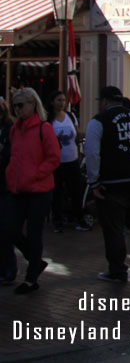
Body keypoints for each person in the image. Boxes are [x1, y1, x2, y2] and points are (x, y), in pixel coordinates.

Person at [84, 86, 130, 282]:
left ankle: (118, 269)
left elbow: (91, 153)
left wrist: (94, 181)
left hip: (112, 183)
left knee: (113, 227)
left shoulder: (99, 121)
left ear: (106, 101)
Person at [3, 88, 59, 294]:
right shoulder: (15, 129)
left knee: (35, 233)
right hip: (17, 189)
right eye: (14, 105)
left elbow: (53, 157)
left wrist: (35, 174)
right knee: (9, 229)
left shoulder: (44, 128)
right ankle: (35, 261)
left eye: (21, 105)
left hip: (38, 189)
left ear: (32, 104)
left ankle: (31, 277)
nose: (17, 109)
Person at [48, 90, 82, 233]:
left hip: (72, 159)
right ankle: (58, 219)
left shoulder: (70, 116)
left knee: (76, 189)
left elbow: (77, 134)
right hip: (56, 162)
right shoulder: (49, 120)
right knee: (57, 192)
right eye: (58, 100)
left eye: (63, 100)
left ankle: (77, 217)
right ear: (52, 102)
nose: (62, 103)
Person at [0, 98, 16, 285]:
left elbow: (13, 154)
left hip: (6, 184)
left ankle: (8, 268)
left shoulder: (10, 129)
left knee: (5, 229)